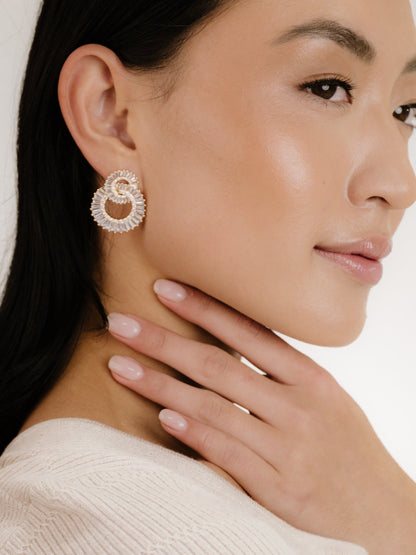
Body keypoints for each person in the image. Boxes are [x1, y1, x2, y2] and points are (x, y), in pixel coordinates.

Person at [1, 0, 416, 553]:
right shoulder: (129, 527)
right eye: (327, 87)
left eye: (406, 110)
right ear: (111, 116)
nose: (399, 183)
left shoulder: (279, 500)